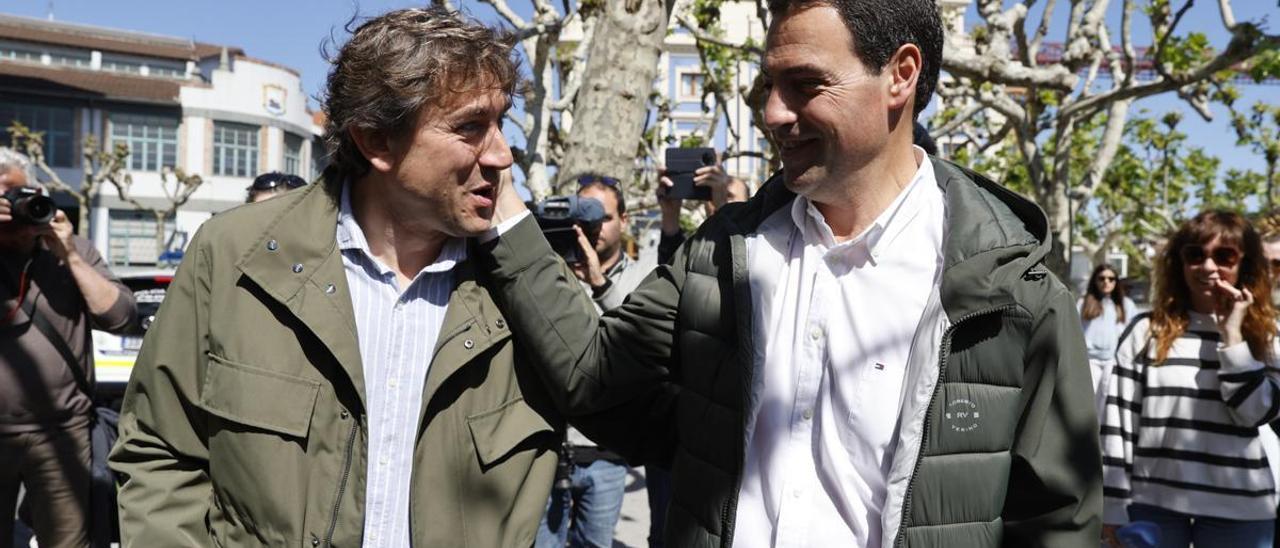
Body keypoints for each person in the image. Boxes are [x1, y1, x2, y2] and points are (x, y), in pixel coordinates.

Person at [478, 0, 1101, 546]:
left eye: (805, 84)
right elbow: (598, 379)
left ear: (900, 76)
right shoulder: (722, 253)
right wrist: (502, 204)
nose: (773, 113)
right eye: (770, 84)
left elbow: (1056, 518)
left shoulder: (1009, 285)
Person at [109, 8, 564, 547]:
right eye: (470, 127)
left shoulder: (527, 281)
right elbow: (160, 453)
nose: (501, 155)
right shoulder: (234, 256)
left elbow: (626, 404)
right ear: (376, 141)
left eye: (500, 122)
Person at [1101, 210, 1280, 548]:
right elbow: (1117, 425)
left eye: (1224, 256)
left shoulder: (1267, 336)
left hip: (1240, 509)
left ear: (1246, 263)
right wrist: (1111, 506)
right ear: (1180, 263)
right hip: (1153, 506)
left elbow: (1255, 413)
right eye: (1195, 255)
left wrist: (1232, 337)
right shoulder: (1145, 330)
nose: (1209, 267)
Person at [1, 147, 137, 548]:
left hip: (61, 433)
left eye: (17, 194)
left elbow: (121, 316)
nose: (12, 208)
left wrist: (70, 257)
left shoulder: (71, 249)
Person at [536, 174, 647, 548]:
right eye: (584, 218)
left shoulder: (642, 278)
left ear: (624, 221)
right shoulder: (549, 275)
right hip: (548, 450)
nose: (592, 229)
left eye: (604, 218)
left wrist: (600, 285)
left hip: (607, 455)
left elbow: (640, 344)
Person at [1080, 263, 1138, 414]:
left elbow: (1135, 335)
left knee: (1108, 404)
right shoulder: (1083, 303)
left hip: (1113, 361)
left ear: (1116, 282)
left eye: (1111, 279)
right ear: (1095, 280)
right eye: (1102, 278)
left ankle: (1102, 436)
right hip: (1089, 361)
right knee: (1087, 402)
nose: (1106, 282)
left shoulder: (1126, 305)